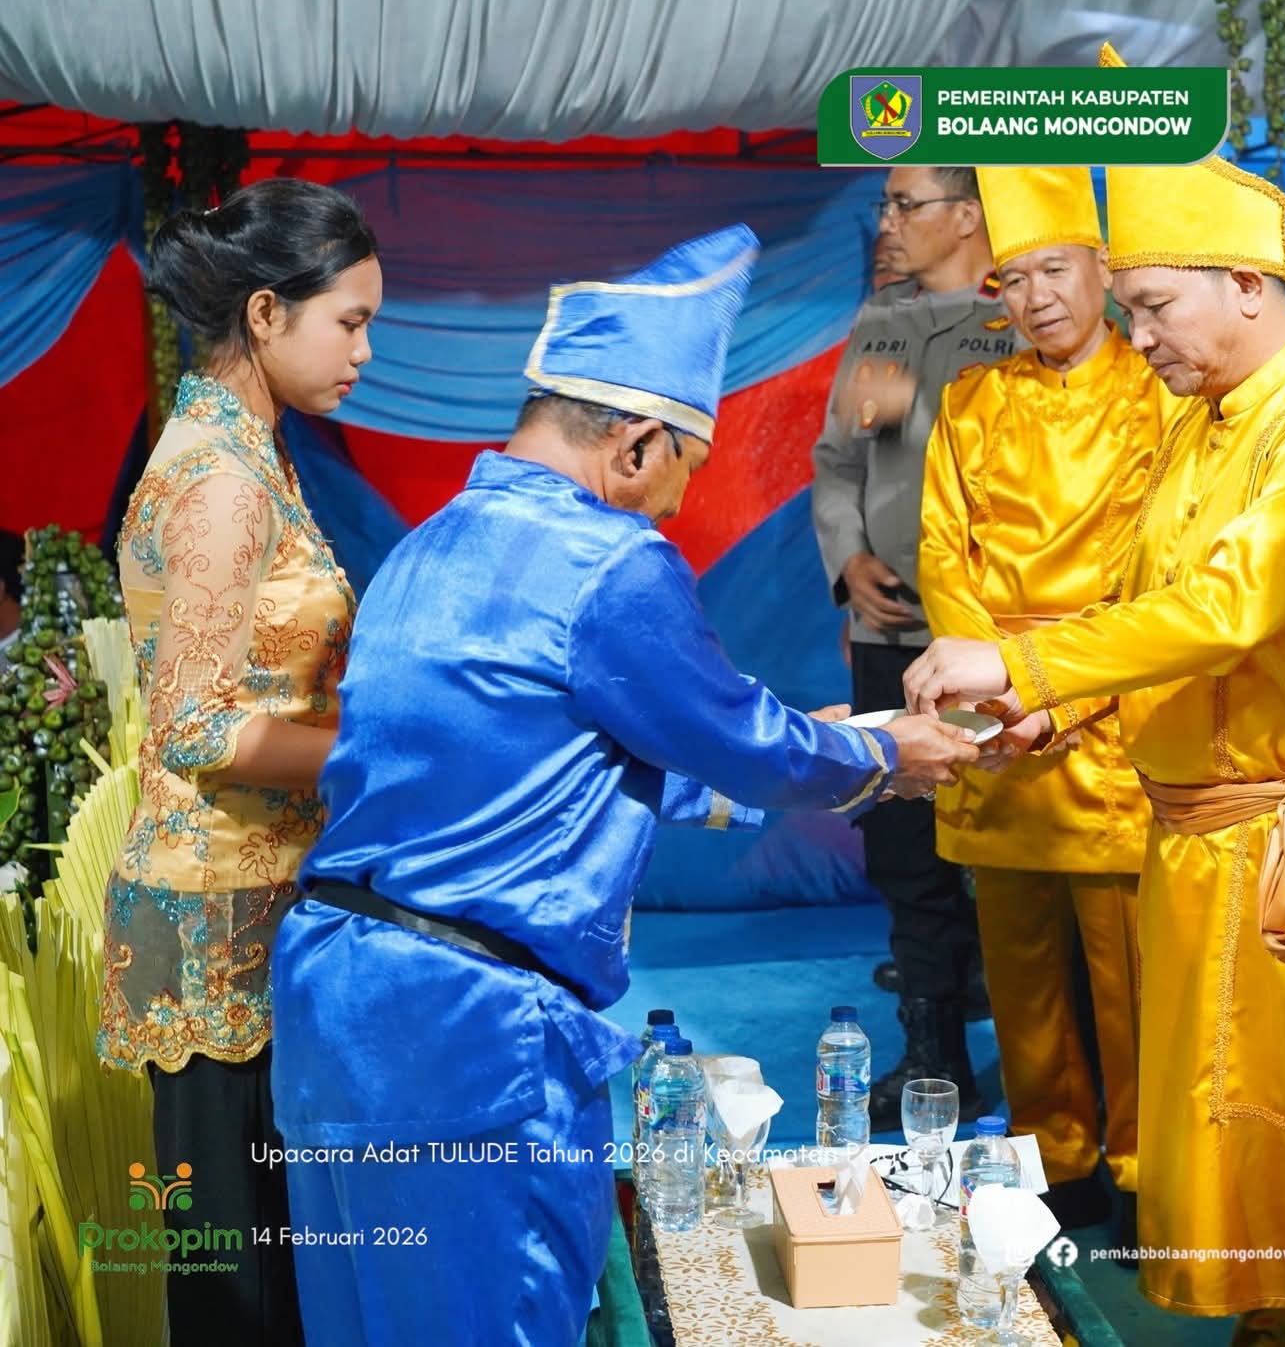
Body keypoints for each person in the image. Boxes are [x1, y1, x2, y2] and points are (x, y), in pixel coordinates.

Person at [268, 226, 983, 1345]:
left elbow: (564, 764)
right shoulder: (606, 558)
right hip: (469, 1033)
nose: (674, 509)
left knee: (366, 1321)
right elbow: (741, 742)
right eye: (686, 471)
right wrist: (890, 756)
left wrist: (828, 738)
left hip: (336, 1010)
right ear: (638, 445)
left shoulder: (427, 549)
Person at [905, 44, 1285, 1346]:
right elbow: (1154, 610)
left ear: (1244, 284)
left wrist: (1024, 664)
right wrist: (1055, 710)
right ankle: (1276, 1316)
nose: (1136, 337)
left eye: (1149, 305)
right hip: (1198, 832)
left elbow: (1225, 607)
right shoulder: (1205, 416)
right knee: (1235, 1130)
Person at [95, 177, 381, 1345]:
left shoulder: (247, 448)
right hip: (218, 921)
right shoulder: (221, 478)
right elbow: (197, 727)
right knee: (239, 1289)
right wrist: (378, 756)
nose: (366, 350)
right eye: (349, 322)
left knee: (266, 1269)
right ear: (266, 314)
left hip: (255, 905)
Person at [918, 164, 1170, 1222]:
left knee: (1130, 976)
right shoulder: (970, 401)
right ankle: (1050, 1162)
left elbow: (1157, 577)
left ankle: (1145, 1167)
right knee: (1018, 974)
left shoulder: (1161, 397)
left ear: (1102, 269)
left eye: (1055, 271)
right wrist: (992, 695)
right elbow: (943, 552)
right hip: (999, 727)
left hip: (1107, 714)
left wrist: (1059, 692)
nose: (1035, 298)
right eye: (1014, 279)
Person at [811, 164, 1022, 1126]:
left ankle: (1039, 1049)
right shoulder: (887, 328)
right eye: (885, 205)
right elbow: (842, 462)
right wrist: (849, 559)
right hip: (889, 630)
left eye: (906, 204)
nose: (888, 222)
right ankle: (934, 1055)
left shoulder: (1024, 320)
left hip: (991, 640)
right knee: (903, 846)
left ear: (967, 215)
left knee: (1009, 849)